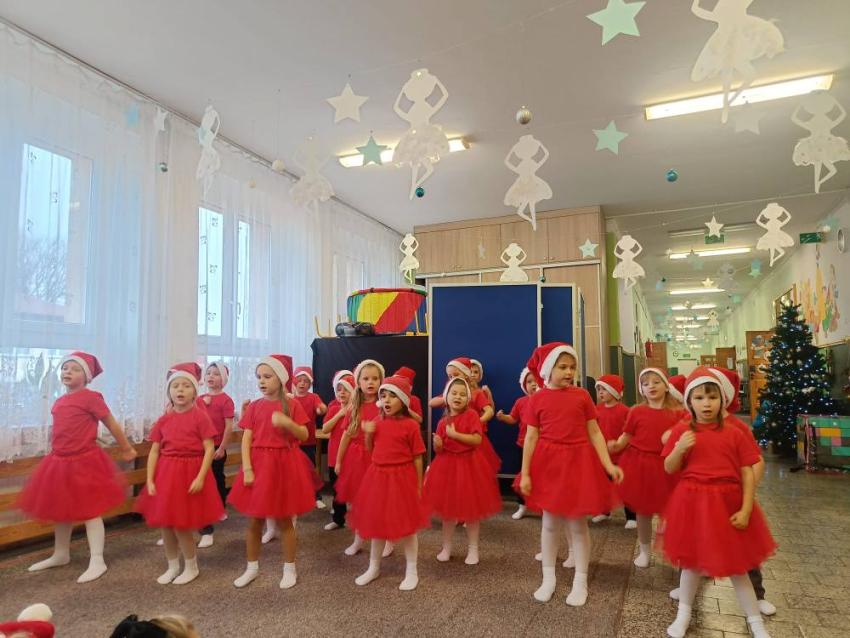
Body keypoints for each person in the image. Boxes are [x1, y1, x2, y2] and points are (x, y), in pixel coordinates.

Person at [659, 366, 776, 638]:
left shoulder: (735, 432)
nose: (706, 403)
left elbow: (747, 471)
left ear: (723, 399)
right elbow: (669, 467)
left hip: (727, 503)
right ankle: (683, 614)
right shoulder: (682, 430)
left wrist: (746, 508)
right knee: (691, 565)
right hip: (693, 503)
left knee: (738, 567)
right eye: (699, 397)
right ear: (689, 401)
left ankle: (755, 621)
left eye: (712, 397)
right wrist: (679, 448)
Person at [18, 351, 137, 584]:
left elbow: (111, 423)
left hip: (85, 462)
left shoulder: (91, 398)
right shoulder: (59, 401)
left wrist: (126, 447)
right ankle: (61, 553)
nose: (67, 372)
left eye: (74, 369)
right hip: (59, 462)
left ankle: (97, 559)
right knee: (61, 509)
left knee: (90, 511)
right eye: (65, 368)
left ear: (87, 376)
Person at [520, 342, 622, 606]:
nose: (569, 372)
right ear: (548, 369)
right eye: (563, 367)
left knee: (578, 524)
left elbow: (595, 432)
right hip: (549, 465)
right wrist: (526, 473)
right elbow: (531, 437)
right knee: (549, 523)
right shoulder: (537, 398)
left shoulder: (582, 396)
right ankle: (548, 578)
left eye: (572, 367)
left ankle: (581, 580)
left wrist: (608, 465)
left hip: (578, 463)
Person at [227, 355, 321, 589]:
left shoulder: (292, 404)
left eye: (267, 376)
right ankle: (251, 568)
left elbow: (304, 434)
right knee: (254, 520)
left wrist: (288, 423)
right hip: (259, 465)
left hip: (283, 465)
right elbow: (247, 439)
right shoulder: (255, 406)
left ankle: (290, 568)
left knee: (285, 520)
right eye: (259, 377)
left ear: (280, 379)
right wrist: (247, 468)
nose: (262, 381)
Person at [135, 363, 222, 585]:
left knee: (181, 525)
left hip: (190, 472)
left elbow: (209, 448)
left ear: (194, 392)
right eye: (175, 386)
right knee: (166, 524)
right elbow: (155, 450)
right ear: (169, 392)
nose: (180, 390)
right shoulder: (164, 420)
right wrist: (149, 479)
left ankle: (191, 567)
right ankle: (173, 565)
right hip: (167, 473)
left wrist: (201, 477)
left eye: (186, 385)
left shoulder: (200, 417)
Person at [349, 375, 428, 590]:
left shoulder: (411, 425)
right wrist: (368, 434)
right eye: (383, 396)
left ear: (403, 400)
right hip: (378, 476)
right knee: (378, 525)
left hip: (402, 477)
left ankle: (412, 570)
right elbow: (371, 450)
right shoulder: (376, 422)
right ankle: (373, 567)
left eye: (392, 396)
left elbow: (417, 457)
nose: (386, 400)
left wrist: (419, 485)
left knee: (408, 527)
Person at [609, 368, 686, 568]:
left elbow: (686, 434)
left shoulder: (679, 413)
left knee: (671, 511)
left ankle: (673, 546)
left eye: (656, 382)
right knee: (643, 512)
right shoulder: (636, 411)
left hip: (667, 467)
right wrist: (617, 445)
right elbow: (627, 435)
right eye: (645, 383)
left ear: (666, 386)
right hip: (639, 465)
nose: (651, 386)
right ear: (641, 389)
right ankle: (644, 550)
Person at [425, 377, 501, 564]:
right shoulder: (443, 422)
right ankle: (446, 548)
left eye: (462, 394)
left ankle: (473, 550)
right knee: (448, 514)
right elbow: (439, 450)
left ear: (468, 398)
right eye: (454, 393)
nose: (457, 397)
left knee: (472, 513)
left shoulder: (472, 415)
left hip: (469, 465)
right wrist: (438, 444)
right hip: (447, 467)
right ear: (446, 397)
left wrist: (455, 435)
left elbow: (477, 440)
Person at [335, 359, 385, 556]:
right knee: (357, 503)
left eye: (375, 378)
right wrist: (339, 461)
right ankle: (358, 539)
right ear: (359, 382)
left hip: (378, 459)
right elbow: (346, 436)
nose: (370, 382)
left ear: (381, 381)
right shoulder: (353, 408)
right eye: (366, 379)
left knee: (380, 502)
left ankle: (386, 539)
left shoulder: (385, 407)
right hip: (356, 461)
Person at [196, 361, 234, 548]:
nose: (211, 376)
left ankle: (220, 507)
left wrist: (222, 448)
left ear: (223, 380)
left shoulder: (226, 400)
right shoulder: (199, 399)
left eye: (216, 374)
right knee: (203, 478)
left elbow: (228, 427)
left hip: (217, 446)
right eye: (208, 373)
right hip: (201, 447)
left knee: (217, 477)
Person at [591, 375, 634, 527]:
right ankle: (604, 511)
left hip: (623, 457)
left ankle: (632, 517)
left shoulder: (626, 411)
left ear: (614, 391)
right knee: (603, 486)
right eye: (598, 389)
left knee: (626, 487)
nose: (600, 393)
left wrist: (621, 445)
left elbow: (630, 432)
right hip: (604, 457)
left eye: (604, 389)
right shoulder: (596, 410)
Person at [496, 367, 538, 519]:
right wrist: (503, 417)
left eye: (536, 381)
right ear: (524, 385)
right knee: (522, 475)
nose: (533, 384)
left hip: (544, 447)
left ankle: (544, 506)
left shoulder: (546, 401)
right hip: (523, 446)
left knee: (543, 476)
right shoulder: (521, 402)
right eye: (529, 381)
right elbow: (513, 418)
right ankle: (522, 505)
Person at [317, 370, 354, 531]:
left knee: (355, 488)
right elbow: (325, 429)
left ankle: (359, 520)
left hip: (352, 457)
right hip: (334, 456)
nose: (342, 393)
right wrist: (339, 414)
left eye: (346, 390)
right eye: (339, 390)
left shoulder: (357, 409)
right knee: (337, 489)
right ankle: (338, 519)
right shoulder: (333, 408)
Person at [292, 365, 328, 510]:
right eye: (299, 380)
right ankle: (296, 496)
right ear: (294, 381)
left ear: (310, 384)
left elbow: (321, 407)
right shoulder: (290, 398)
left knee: (310, 469)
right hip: (292, 442)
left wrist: (321, 409)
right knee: (293, 471)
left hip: (308, 442)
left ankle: (316, 497)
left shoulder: (313, 397)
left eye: (306, 381)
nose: (302, 383)